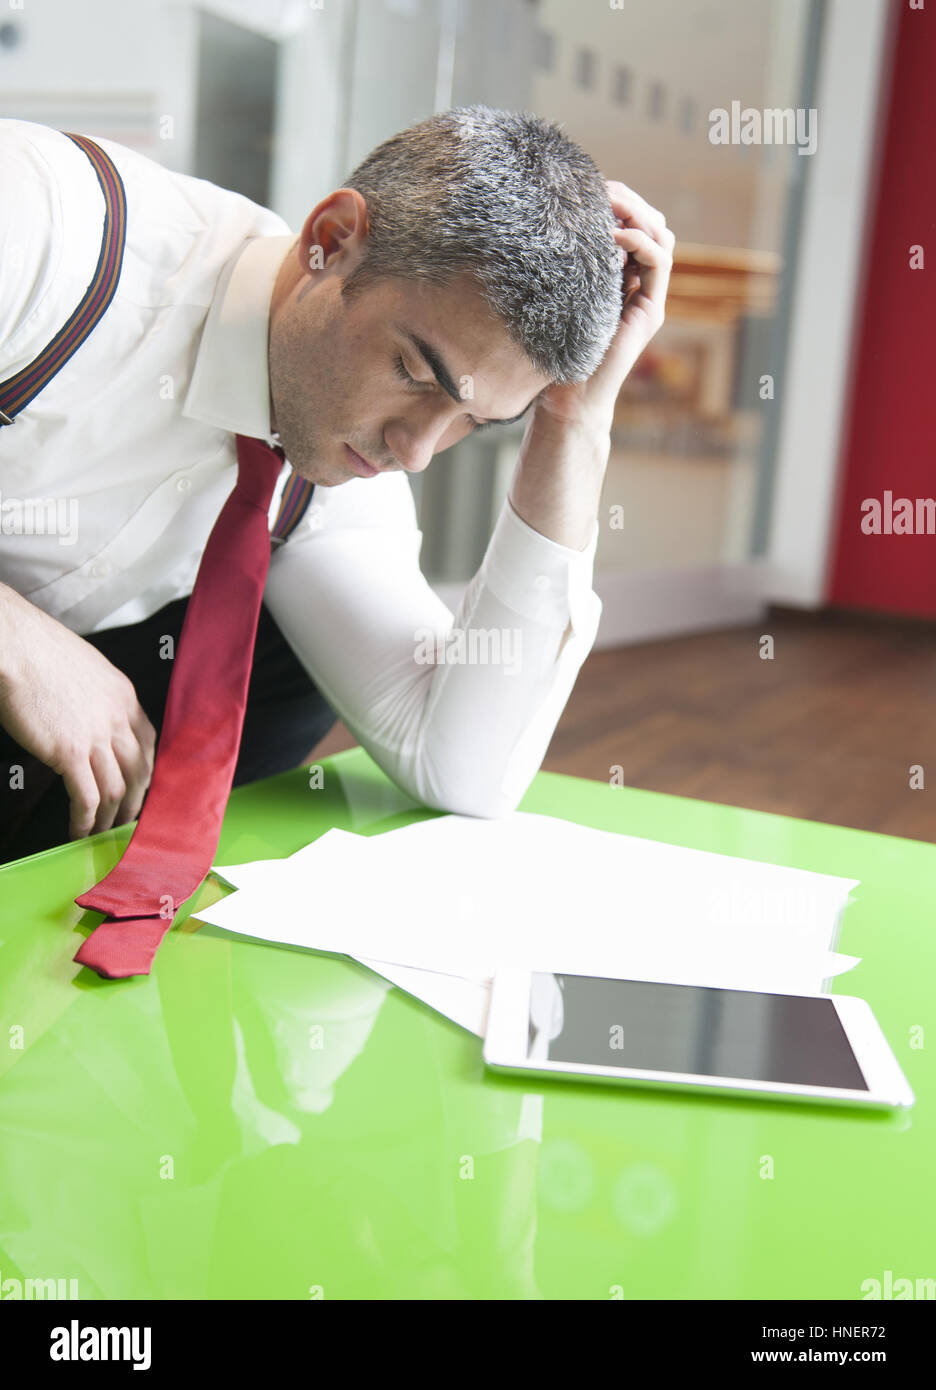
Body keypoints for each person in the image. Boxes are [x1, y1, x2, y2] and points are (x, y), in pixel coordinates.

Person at [0, 105, 673, 864]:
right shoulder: (43, 221)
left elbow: (463, 769)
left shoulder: (339, 480)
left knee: (281, 649)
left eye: (472, 422)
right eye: (414, 373)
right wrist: (16, 640)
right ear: (332, 240)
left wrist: (574, 423)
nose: (416, 449)